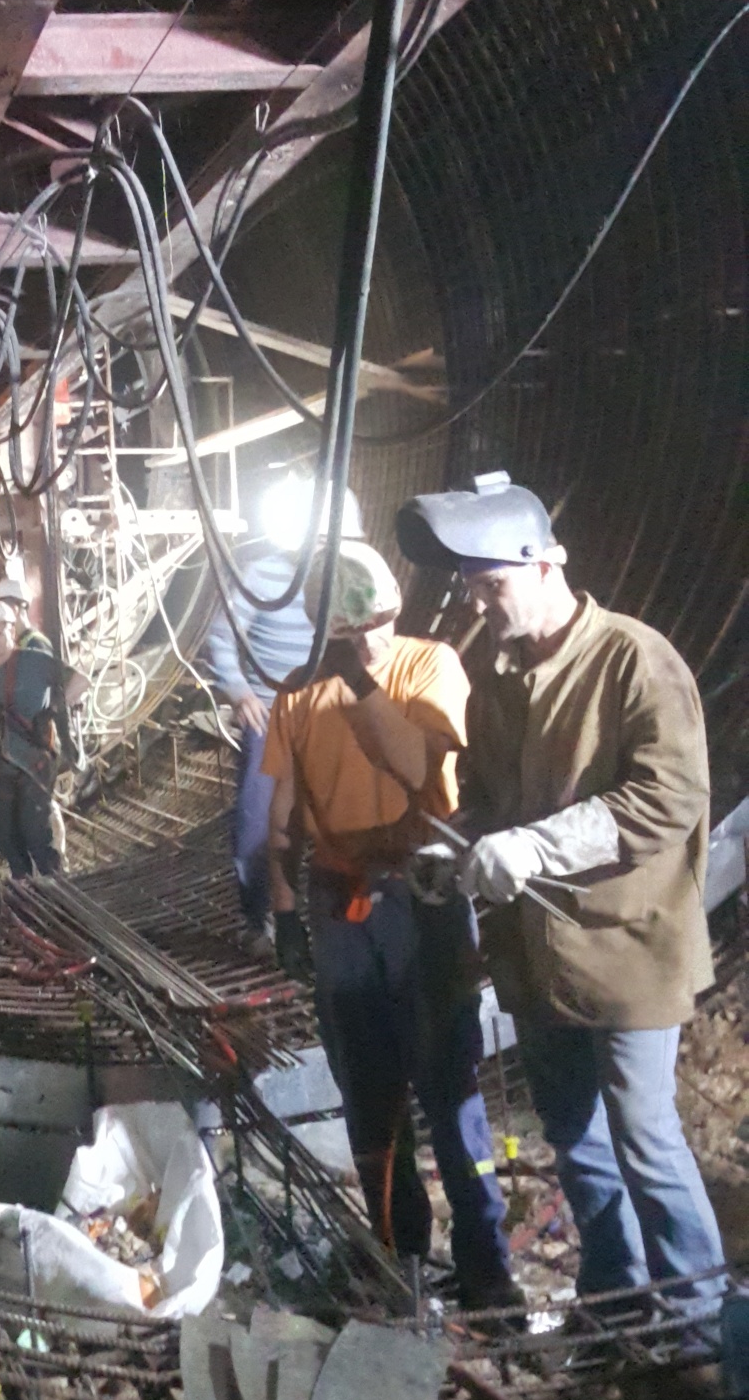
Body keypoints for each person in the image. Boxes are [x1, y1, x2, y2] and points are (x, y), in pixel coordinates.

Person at [397, 471, 725, 1326]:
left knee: (644, 1138)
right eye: (471, 587)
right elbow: (489, 799)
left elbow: (668, 797)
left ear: (549, 564)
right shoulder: (502, 679)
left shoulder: (634, 659)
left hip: (626, 952)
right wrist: (455, 842)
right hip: (538, 957)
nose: (480, 603)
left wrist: (535, 846)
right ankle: (617, 1299)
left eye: (493, 584)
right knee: (576, 1141)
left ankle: (692, 1318)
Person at [261, 539, 519, 1311]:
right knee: (368, 1091)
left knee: (448, 1082)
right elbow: (283, 817)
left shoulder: (429, 665)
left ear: (392, 614)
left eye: (370, 628)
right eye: (344, 635)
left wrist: (359, 682)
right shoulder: (296, 692)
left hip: (424, 895)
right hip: (341, 903)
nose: (360, 644)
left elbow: (416, 765)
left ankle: (486, 1269)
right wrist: (282, 910)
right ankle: (398, 1255)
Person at [202, 542, 314, 936]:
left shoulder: (341, 573)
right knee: (258, 820)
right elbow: (220, 635)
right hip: (268, 716)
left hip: (327, 714)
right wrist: (237, 688)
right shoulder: (259, 576)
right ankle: (259, 920)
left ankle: (331, 914)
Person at [0, 591, 84, 878]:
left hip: (35, 761)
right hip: (3, 765)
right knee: (7, 838)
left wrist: (54, 709)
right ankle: (24, 887)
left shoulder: (35, 660)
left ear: (10, 629)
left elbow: (81, 680)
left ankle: (53, 882)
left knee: (35, 833)